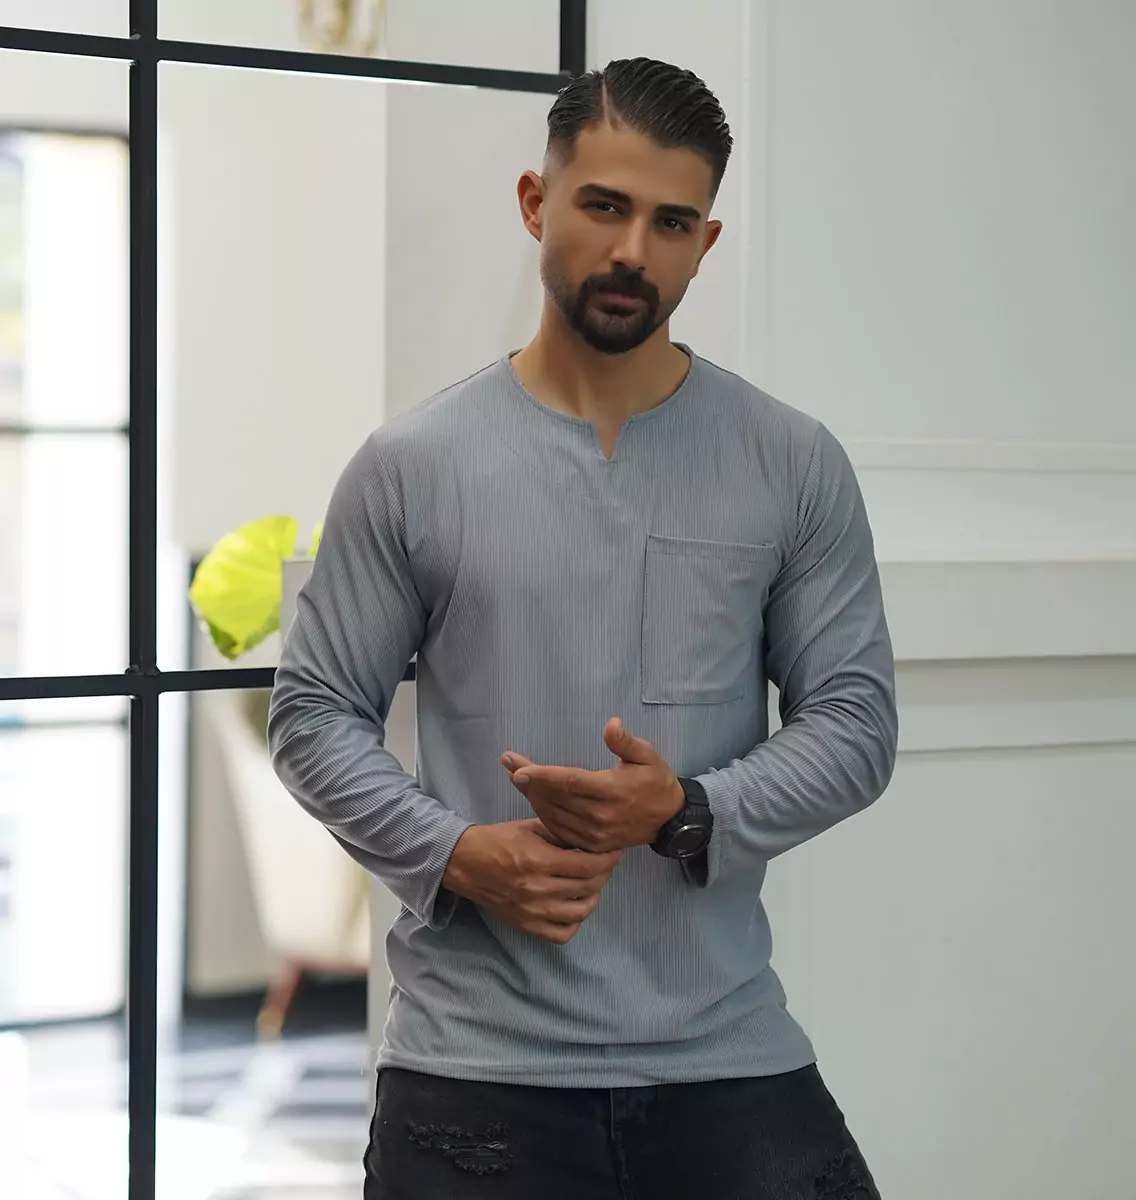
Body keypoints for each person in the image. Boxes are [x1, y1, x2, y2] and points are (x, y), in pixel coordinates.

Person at [269, 55, 897, 1200]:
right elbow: (312, 714)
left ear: (705, 243)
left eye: (671, 223)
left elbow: (855, 726)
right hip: (472, 1069)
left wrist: (689, 809)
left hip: (728, 1053)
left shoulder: (794, 464)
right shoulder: (411, 466)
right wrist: (456, 854)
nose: (632, 251)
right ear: (535, 202)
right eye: (603, 206)